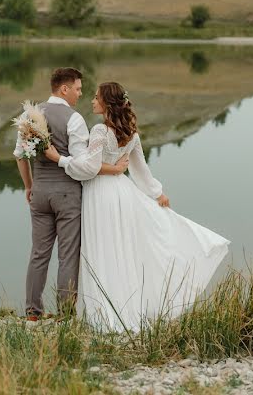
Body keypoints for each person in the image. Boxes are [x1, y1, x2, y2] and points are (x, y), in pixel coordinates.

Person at [44, 81, 230, 331]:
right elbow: (141, 170)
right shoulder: (130, 133)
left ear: (107, 103)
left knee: (102, 249)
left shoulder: (100, 131)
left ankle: (102, 314)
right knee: (119, 248)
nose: (91, 100)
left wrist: (60, 159)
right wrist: (157, 193)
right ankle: (120, 308)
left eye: (96, 97)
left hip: (99, 195)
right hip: (121, 192)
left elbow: (87, 169)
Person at [14, 68, 128, 321]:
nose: (80, 94)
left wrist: (29, 186)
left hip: (40, 193)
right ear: (64, 89)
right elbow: (82, 165)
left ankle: (33, 311)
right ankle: (65, 314)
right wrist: (113, 169)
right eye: (77, 89)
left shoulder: (28, 114)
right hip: (67, 195)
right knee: (67, 256)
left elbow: (20, 155)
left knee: (38, 253)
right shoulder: (74, 119)